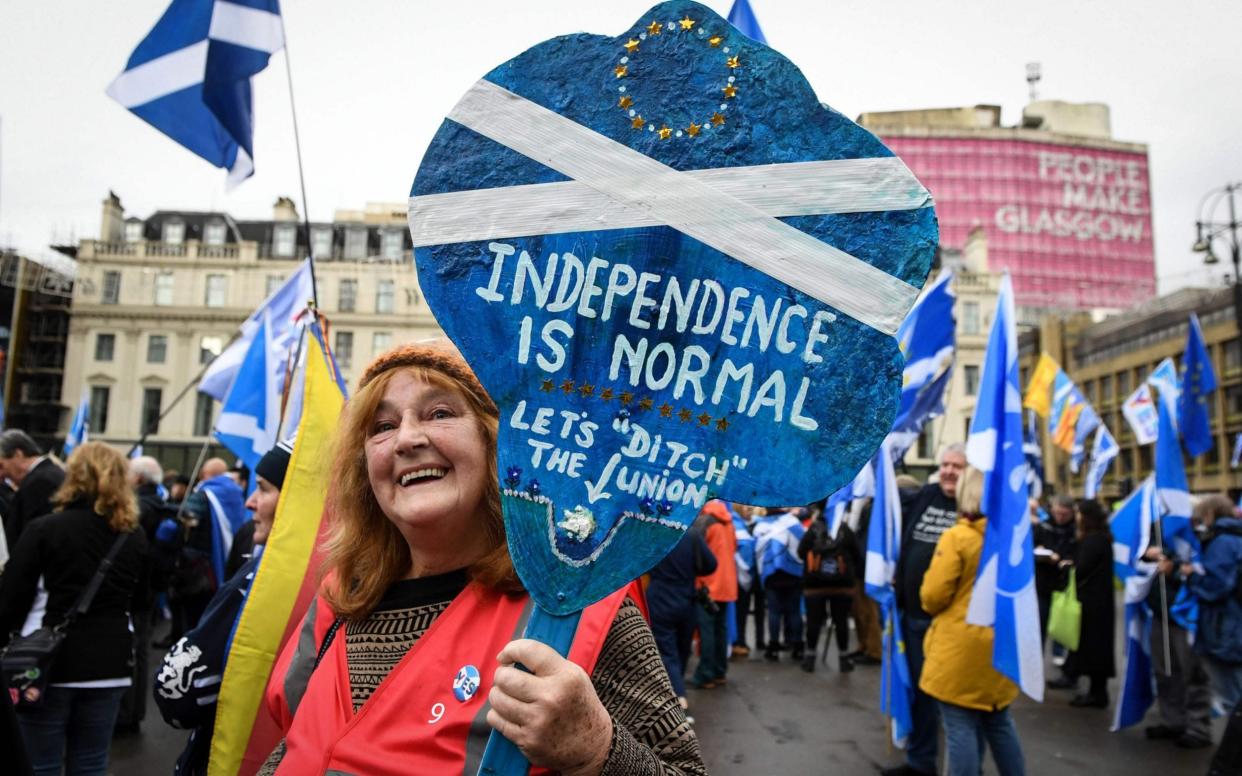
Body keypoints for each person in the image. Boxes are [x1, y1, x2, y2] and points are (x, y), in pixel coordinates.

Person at [258, 341, 706, 774]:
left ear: (496, 442)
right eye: (382, 426)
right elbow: (295, 744)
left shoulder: (573, 612)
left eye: (440, 413)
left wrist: (595, 751)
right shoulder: (339, 599)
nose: (407, 439)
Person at [0, 442, 147, 776]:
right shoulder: (134, 537)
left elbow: (11, 599)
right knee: (92, 762)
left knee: (40, 763)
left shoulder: (45, 529)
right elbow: (143, 601)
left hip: (48, 662)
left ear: (74, 476)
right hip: (110, 663)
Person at [154, 439, 292, 775]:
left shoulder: (265, 578)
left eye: (263, 489)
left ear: (296, 500)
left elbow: (176, 693)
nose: (249, 502)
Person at [919, 467, 1025, 776]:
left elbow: (933, 596)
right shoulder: (1012, 538)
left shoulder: (958, 538)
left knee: (959, 726)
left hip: (960, 649)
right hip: (1001, 644)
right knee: (999, 722)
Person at [883, 442, 965, 776]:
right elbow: (888, 497)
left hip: (951, 623)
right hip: (914, 619)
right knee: (919, 695)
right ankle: (921, 762)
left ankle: (965, 766)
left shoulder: (974, 505)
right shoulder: (926, 495)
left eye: (957, 466)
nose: (948, 471)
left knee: (956, 701)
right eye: (945, 464)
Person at [1140, 495, 1224, 749]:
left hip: (1186, 615)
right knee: (1165, 670)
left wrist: (1174, 567)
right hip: (1160, 611)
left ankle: (1198, 727)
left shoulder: (1202, 537)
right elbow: (1141, 554)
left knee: (1193, 674)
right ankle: (1172, 719)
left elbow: (1202, 570)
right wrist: (1148, 554)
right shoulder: (1159, 530)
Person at [115, 455, 171, 735]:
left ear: (137, 479)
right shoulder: (161, 506)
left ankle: (126, 713)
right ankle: (133, 710)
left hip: (135, 592)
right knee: (140, 650)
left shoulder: (137, 509)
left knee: (132, 651)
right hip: (149, 591)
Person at [1183, 495, 1242, 716]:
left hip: (1225, 625)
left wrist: (1190, 576)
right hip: (1231, 622)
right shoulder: (1234, 536)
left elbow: (1216, 585)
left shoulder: (1223, 541)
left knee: (1232, 696)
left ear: (1210, 514)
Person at [646, 525, 715, 713]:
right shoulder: (691, 533)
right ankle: (678, 691)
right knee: (683, 648)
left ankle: (678, 695)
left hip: (659, 597)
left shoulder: (653, 534)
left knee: (667, 651)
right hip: (686, 598)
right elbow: (711, 564)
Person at [1052, 499, 1115, 707]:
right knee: (1095, 648)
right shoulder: (1101, 538)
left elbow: (1082, 569)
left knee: (1093, 648)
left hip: (1092, 603)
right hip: (1098, 601)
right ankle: (1095, 691)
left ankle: (1097, 694)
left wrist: (1065, 566)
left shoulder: (1093, 540)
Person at [798, 513, 862, 672]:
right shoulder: (845, 529)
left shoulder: (812, 530)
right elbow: (857, 555)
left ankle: (810, 659)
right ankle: (843, 659)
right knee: (841, 621)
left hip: (814, 584)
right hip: (842, 585)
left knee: (813, 621)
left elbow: (801, 552)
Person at [690, 499, 737, 689]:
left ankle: (706, 673)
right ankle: (720, 671)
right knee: (720, 629)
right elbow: (735, 547)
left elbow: (697, 554)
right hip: (727, 584)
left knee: (707, 631)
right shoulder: (729, 522)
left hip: (708, 585)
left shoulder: (704, 521)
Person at [753, 505, 807, 662]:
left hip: (771, 575)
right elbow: (802, 546)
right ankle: (797, 647)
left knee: (774, 612)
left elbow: (756, 551)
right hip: (793, 573)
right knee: (795, 611)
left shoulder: (761, 527)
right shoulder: (793, 522)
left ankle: (774, 647)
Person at [0, 430, 66, 549]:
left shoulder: (40, 483)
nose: (1, 475)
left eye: (1, 466)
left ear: (18, 455)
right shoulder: (51, 474)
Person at [1034, 495, 1077, 647]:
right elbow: (1030, 552)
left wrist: (1067, 560)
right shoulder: (1042, 527)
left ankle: (1060, 653)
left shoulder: (1075, 530)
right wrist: (1041, 553)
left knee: (1062, 622)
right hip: (1043, 583)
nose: (1060, 517)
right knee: (1041, 621)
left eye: (1064, 514)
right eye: (1057, 513)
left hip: (1064, 584)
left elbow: (1079, 553)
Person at [730, 503, 758, 659]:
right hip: (737, 577)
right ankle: (737, 641)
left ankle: (740, 640)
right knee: (739, 612)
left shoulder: (741, 524)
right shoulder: (735, 524)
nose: (750, 511)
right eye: (747, 509)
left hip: (741, 576)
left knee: (742, 612)